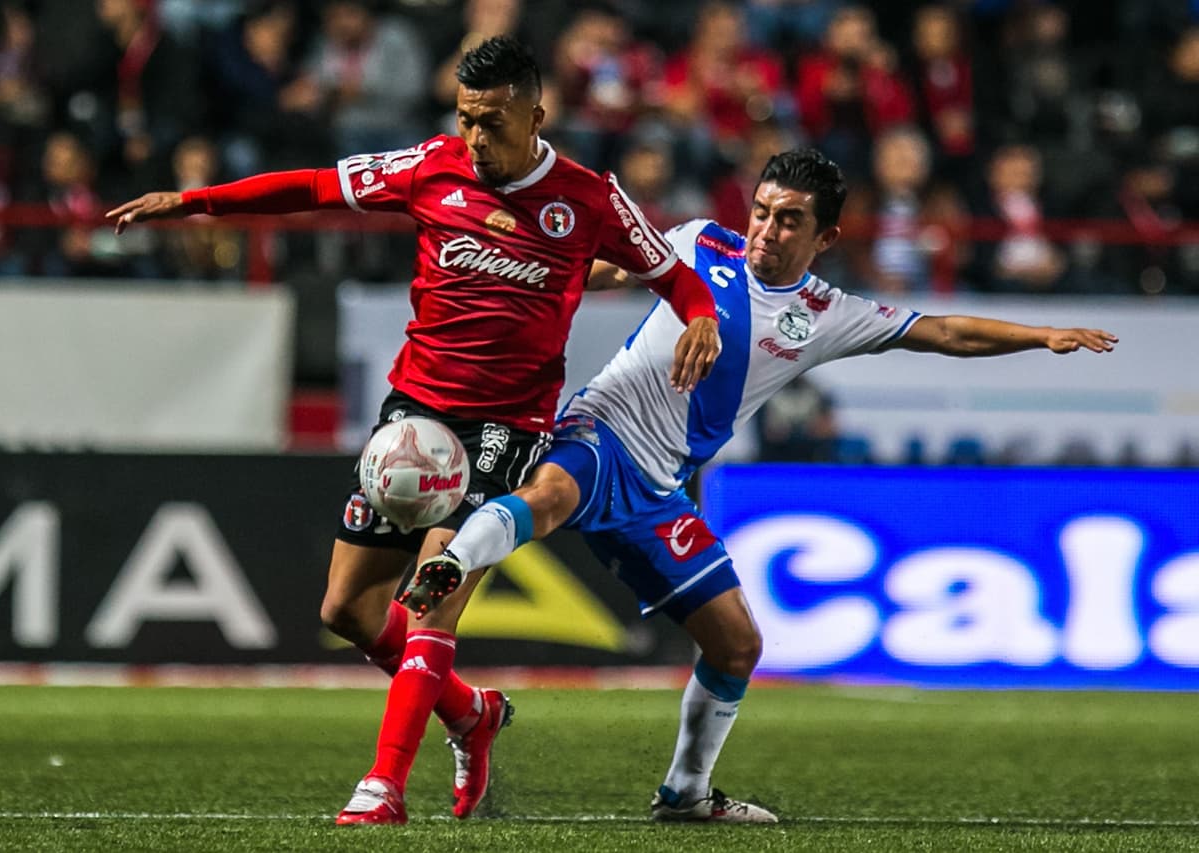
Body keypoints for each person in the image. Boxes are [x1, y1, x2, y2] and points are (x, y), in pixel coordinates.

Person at [106, 35, 720, 826]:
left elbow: (675, 276)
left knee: (433, 595)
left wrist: (700, 318)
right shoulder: (431, 166)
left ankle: (382, 786)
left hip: (507, 425)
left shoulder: (589, 198)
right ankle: (471, 714)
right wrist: (193, 202)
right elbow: (315, 188)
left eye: (493, 122)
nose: (475, 138)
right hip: (413, 419)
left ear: (537, 114)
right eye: (466, 118)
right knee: (346, 611)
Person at [401, 147, 1117, 822]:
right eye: (762, 211)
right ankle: (455, 560)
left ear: (825, 236)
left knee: (738, 645)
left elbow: (945, 331)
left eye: (789, 219)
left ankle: (685, 793)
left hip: (659, 489)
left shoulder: (827, 315)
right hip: (601, 428)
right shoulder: (696, 242)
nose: (766, 231)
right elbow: (602, 267)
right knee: (552, 494)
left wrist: (1040, 334)